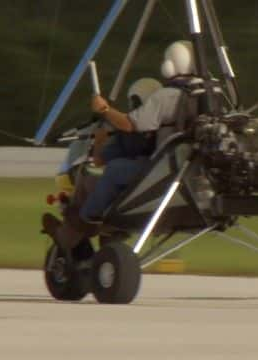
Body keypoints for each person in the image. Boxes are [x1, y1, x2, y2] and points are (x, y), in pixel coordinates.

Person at [42, 40, 200, 251]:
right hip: (191, 168)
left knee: (113, 170)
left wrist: (105, 110)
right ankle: (109, 235)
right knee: (119, 170)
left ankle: (85, 221)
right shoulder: (204, 95)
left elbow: (130, 123)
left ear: (170, 65)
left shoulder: (168, 97)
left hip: (167, 170)